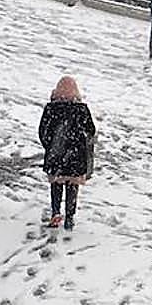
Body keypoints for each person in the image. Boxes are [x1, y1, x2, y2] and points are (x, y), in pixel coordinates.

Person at [38, 75, 97, 231]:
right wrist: (79, 143)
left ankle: (56, 212)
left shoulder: (51, 109)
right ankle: (69, 217)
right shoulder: (81, 109)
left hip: (56, 155)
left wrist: (50, 146)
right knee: (72, 186)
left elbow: (43, 131)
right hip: (75, 156)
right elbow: (91, 130)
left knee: (56, 184)